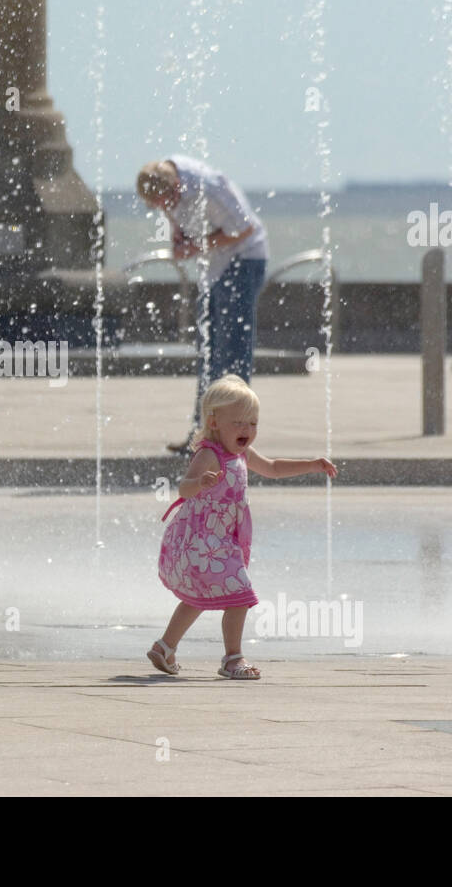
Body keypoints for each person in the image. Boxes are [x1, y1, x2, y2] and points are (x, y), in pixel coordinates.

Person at [149, 375, 336, 680]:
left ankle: (164, 647)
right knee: (240, 593)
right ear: (214, 421)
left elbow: (273, 468)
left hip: (222, 540)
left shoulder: (241, 454)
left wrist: (312, 464)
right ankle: (233, 658)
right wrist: (200, 482)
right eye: (238, 422)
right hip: (204, 541)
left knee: (198, 597)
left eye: (253, 423)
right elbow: (183, 489)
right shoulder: (209, 454)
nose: (247, 430)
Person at [136, 156, 269, 451]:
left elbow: (244, 228)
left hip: (244, 261)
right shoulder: (167, 184)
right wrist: (178, 235)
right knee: (209, 353)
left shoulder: (209, 187)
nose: (163, 209)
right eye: (156, 206)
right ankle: (203, 436)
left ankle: (233, 441)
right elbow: (177, 215)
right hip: (216, 267)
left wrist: (196, 246)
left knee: (232, 354)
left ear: (177, 187)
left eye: (165, 202)